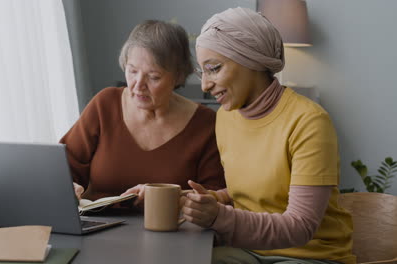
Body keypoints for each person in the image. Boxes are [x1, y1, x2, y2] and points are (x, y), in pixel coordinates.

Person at [180, 7, 356, 264]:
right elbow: (254, 190)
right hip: (251, 252)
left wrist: (219, 217)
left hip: (312, 257)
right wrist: (211, 199)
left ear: (250, 59)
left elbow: (301, 227)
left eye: (214, 68)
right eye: (202, 72)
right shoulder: (226, 117)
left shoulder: (308, 121)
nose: (206, 85)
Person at [60, 20, 225, 205]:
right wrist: (69, 186)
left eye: (153, 77)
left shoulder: (205, 123)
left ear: (178, 75)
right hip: (98, 225)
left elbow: (215, 195)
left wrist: (164, 195)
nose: (138, 85)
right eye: (132, 71)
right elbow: (65, 167)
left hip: (172, 229)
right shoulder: (104, 104)